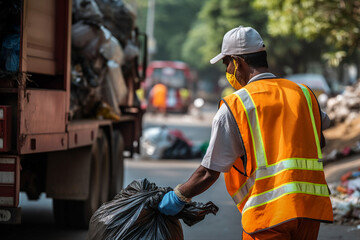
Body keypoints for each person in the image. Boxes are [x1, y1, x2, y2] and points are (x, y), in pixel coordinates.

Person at [157, 26, 333, 239]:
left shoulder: (236, 105)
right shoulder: (303, 94)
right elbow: (321, 130)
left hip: (270, 214)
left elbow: (208, 172)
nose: (228, 70)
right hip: (309, 210)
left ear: (238, 61)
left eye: (226, 63)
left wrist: (178, 196)